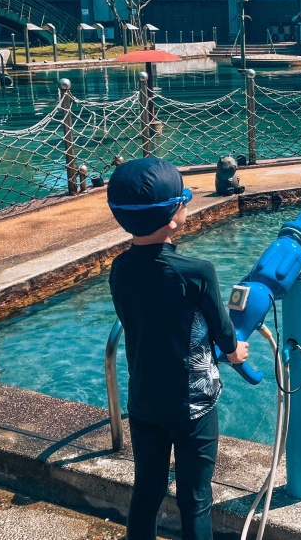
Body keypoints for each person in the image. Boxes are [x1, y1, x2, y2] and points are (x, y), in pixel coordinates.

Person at [107, 157, 249, 540]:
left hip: (144, 402)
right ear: (173, 218)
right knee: (195, 498)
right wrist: (237, 352)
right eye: (184, 198)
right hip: (193, 405)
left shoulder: (119, 268)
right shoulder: (196, 271)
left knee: (148, 491)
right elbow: (223, 334)